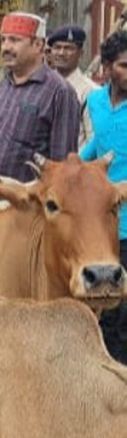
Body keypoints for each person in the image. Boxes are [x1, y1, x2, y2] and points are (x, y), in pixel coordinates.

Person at [0, 12, 80, 199]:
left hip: (23, 212)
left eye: (14, 40)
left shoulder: (59, 92)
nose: (6, 47)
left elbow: (62, 167)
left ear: (38, 45)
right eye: (3, 40)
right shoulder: (1, 87)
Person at [80, 30, 127, 365]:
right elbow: (100, 145)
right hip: (99, 218)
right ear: (108, 67)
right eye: (124, 65)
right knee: (98, 302)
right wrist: (74, 168)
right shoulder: (96, 101)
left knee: (122, 312)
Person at [47, 24, 98, 147]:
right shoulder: (41, 86)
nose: (61, 53)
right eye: (57, 47)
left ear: (81, 53)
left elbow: (92, 140)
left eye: (68, 48)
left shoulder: (90, 91)